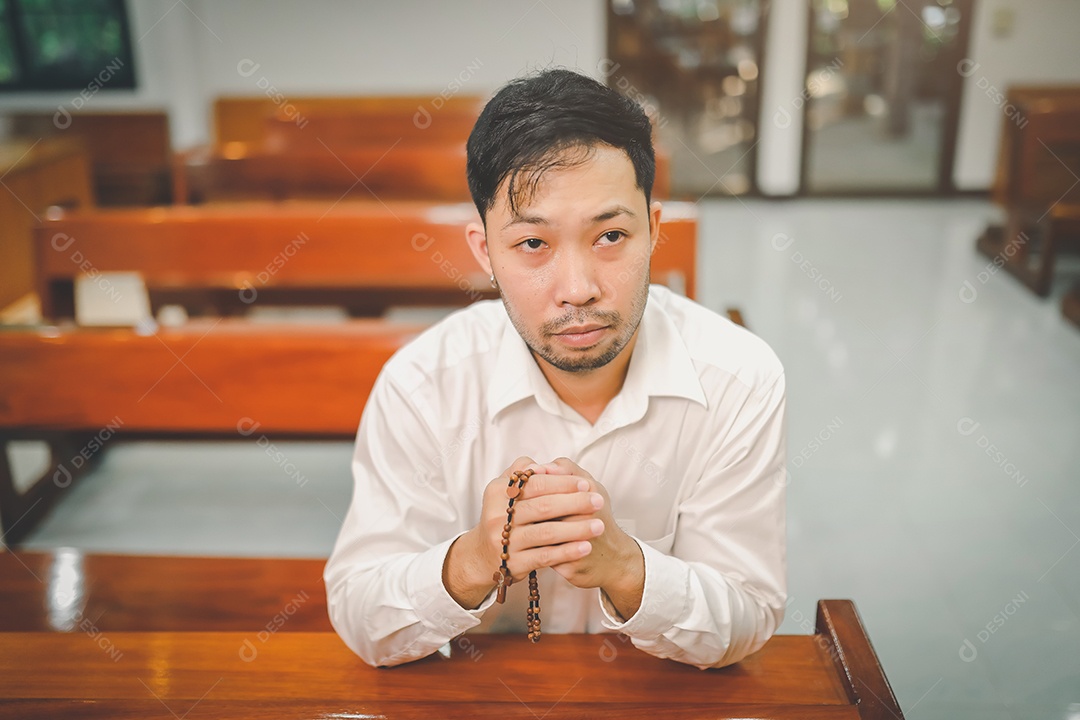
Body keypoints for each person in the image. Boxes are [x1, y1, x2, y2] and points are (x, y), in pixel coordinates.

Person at [324, 68, 787, 670]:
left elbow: (747, 618)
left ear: (654, 230)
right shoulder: (423, 383)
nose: (577, 290)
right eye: (533, 245)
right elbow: (362, 619)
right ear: (483, 252)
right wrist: (472, 561)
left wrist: (626, 567)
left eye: (611, 235)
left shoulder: (740, 378)